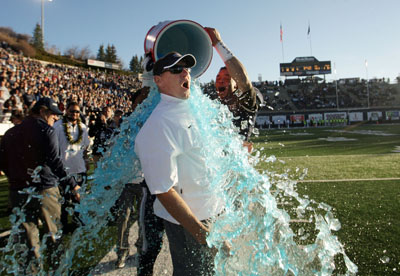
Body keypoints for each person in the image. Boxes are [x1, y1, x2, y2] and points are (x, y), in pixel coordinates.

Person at [135, 52, 228, 276]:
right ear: (158, 80)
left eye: (186, 68)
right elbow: (164, 191)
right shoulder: (158, 125)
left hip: (211, 213)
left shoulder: (191, 109)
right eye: (176, 69)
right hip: (191, 223)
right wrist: (201, 233)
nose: (185, 72)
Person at [0, 97, 80, 273]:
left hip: (19, 192)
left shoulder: (10, 133)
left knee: (27, 242)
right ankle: (57, 271)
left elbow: (3, 163)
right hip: (45, 190)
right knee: (54, 237)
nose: (56, 119)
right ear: (43, 112)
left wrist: (17, 179)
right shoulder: (46, 131)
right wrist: (73, 184)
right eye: (53, 116)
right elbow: (55, 163)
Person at [205, 27, 261, 152]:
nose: (220, 80)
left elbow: (244, 82)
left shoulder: (244, 102)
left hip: (236, 162)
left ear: (236, 85)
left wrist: (219, 45)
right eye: (218, 77)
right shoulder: (212, 103)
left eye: (226, 77)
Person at [53, 101, 90, 233]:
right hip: (64, 171)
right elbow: (54, 150)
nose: (74, 114)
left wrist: (86, 160)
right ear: (66, 111)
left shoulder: (83, 128)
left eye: (77, 112)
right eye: (72, 111)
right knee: (63, 201)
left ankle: (77, 223)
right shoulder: (57, 127)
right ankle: (62, 225)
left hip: (79, 169)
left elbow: (85, 147)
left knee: (79, 200)